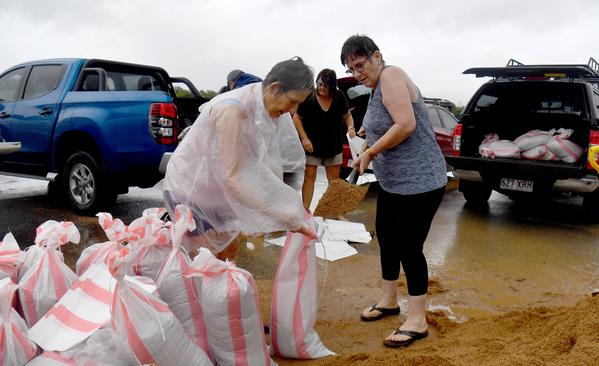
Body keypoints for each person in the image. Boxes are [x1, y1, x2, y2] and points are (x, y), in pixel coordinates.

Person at [340, 35, 447, 348]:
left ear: (377, 56)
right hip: (392, 183)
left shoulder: (391, 75)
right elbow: (385, 121)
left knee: (408, 246)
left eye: (360, 64)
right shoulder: (375, 89)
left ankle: (417, 320)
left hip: (421, 182)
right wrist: (364, 133)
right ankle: (389, 300)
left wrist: (370, 152)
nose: (357, 72)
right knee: (386, 236)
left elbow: (405, 124)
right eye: (351, 67)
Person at [163, 57, 316, 260]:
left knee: (228, 253)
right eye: (293, 101)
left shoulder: (265, 107)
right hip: (193, 190)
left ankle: (221, 289)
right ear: (275, 88)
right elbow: (232, 177)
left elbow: (264, 164)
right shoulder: (232, 111)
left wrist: (289, 205)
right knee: (201, 260)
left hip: (218, 193)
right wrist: (281, 213)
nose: (293, 110)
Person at [224, 69, 306, 191]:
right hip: (290, 162)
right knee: (283, 200)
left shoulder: (245, 93)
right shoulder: (263, 89)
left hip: (275, 163)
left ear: (231, 83)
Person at [293, 69, 356, 211]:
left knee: (334, 180)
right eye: (319, 84)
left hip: (333, 145)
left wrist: (351, 128)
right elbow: (297, 118)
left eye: (326, 86)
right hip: (311, 145)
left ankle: (335, 211)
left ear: (332, 87)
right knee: (309, 177)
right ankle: (305, 210)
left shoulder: (339, 96)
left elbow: (347, 116)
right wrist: (304, 138)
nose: (321, 88)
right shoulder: (309, 96)